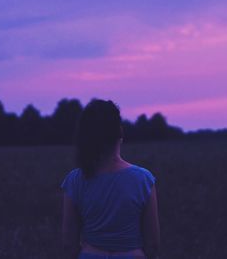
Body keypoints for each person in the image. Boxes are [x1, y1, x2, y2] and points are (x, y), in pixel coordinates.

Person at [60, 99, 160, 259]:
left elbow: (68, 246)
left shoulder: (74, 181)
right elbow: (153, 245)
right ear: (119, 134)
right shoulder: (143, 179)